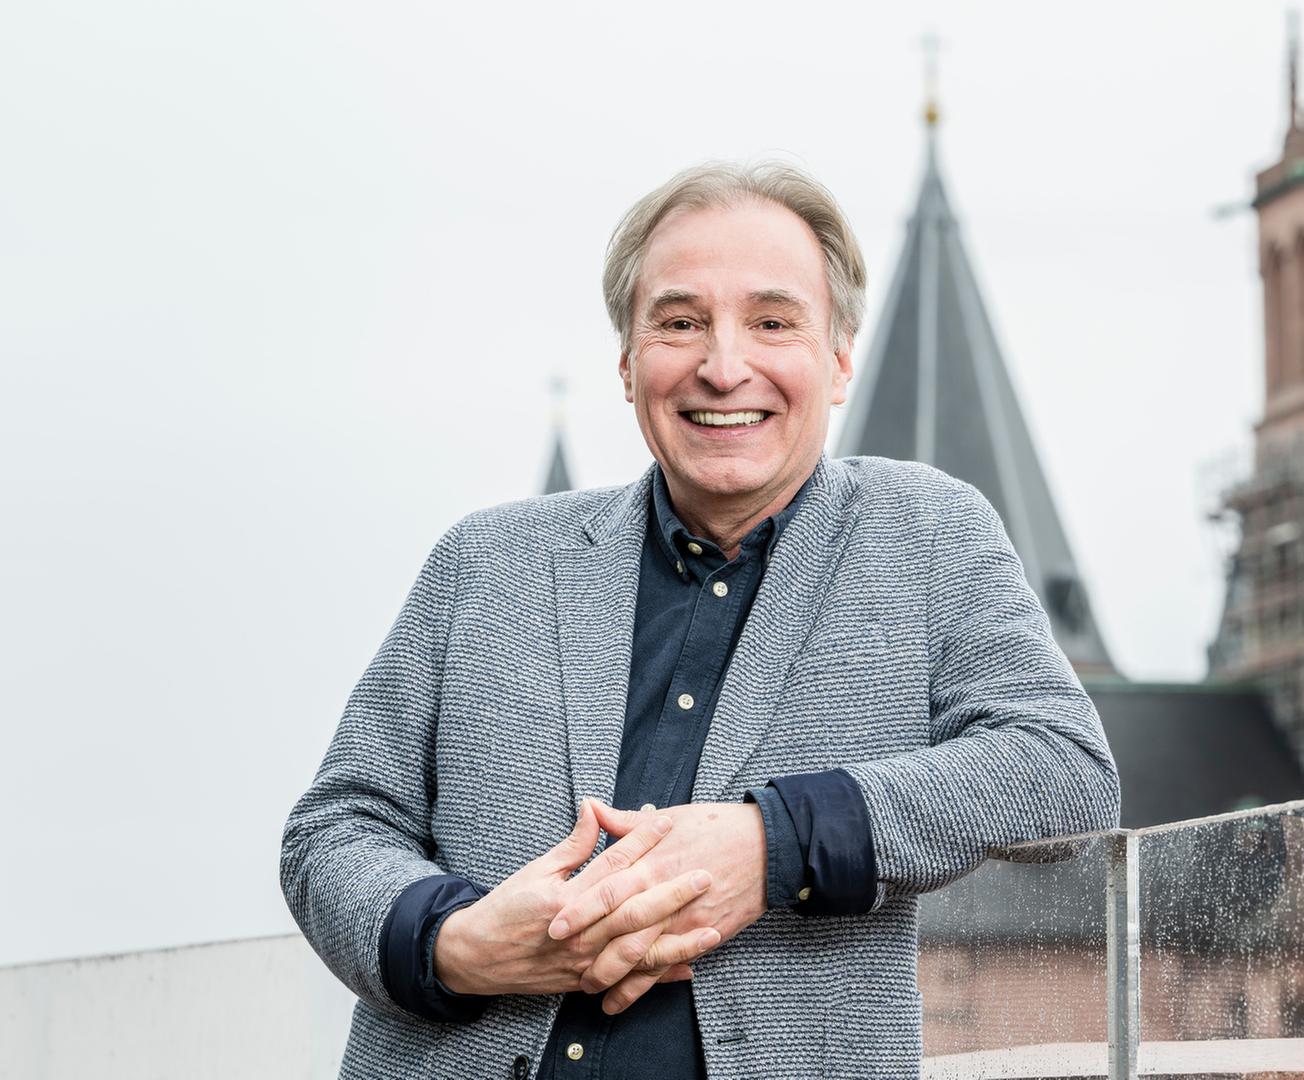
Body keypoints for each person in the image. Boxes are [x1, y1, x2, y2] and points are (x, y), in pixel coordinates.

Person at [279, 160, 1121, 1080]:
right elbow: (335, 826)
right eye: (680, 324)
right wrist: (454, 944)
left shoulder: (925, 534)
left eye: (772, 322)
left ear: (839, 360)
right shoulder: (485, 562)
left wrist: (772, 843)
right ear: (629, 361)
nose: (724, 367)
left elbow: (1061, 766)